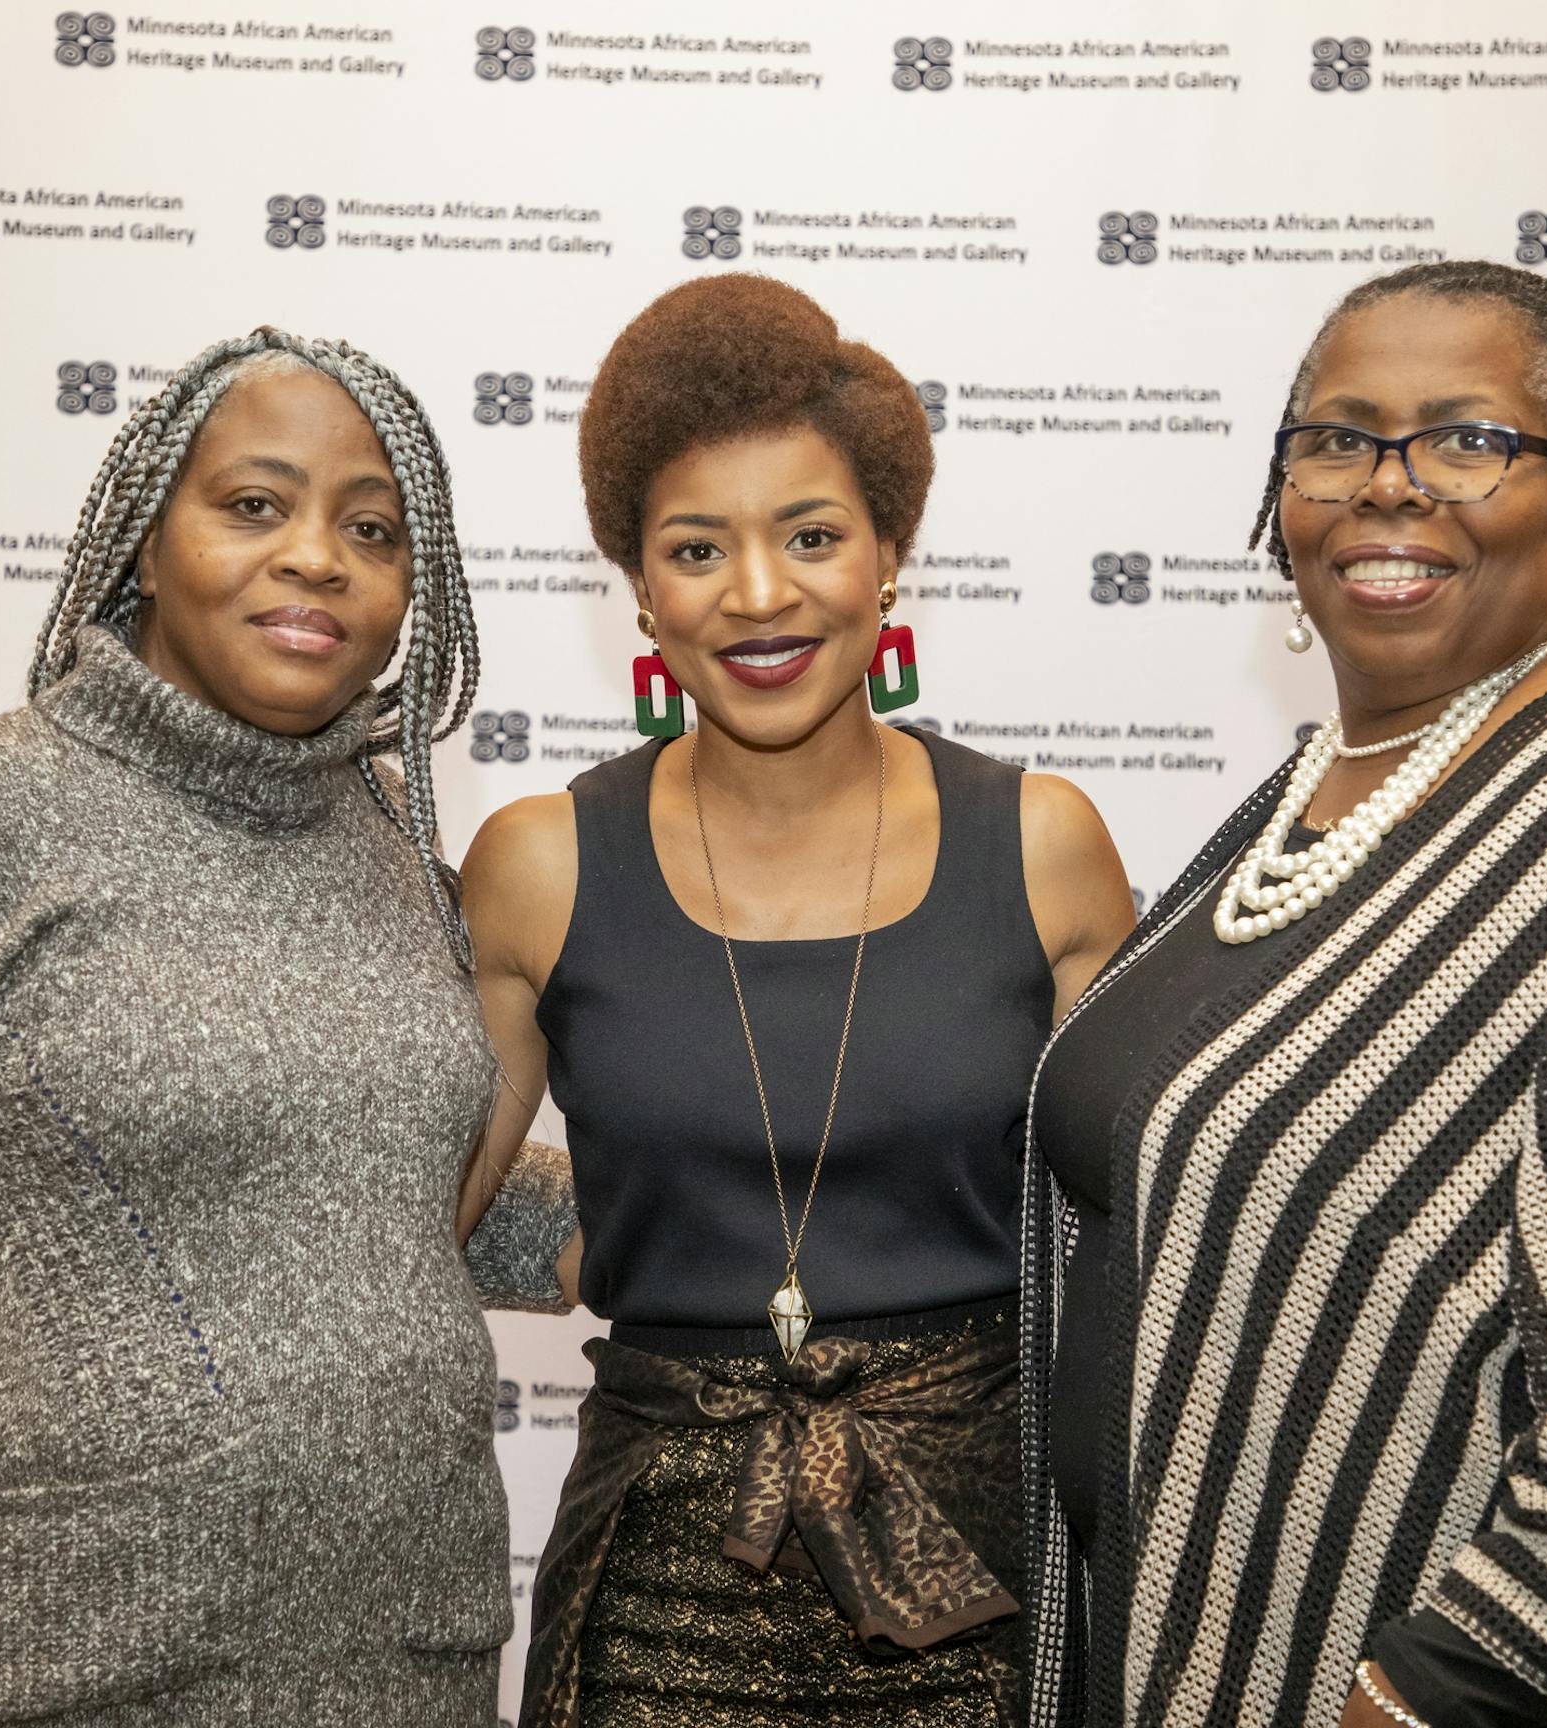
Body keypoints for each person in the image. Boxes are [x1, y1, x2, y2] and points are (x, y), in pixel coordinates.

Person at [1022, 261, 1547, 1727]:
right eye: (1338, 438)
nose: (1390, 485)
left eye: (1467, 439)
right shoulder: (1319, 795)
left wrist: (1408, 1702)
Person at [0, 328, 543, 1725]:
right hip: (31, 1666)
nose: (316, 556)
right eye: (254, 504)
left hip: (392, 1665)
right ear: (143, 539)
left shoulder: (397, 856)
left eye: (374, 529)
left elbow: (371, 1174)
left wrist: (711, 1201)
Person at [456, 274, 1137, 1726]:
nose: (759, 594)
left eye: (812, 537)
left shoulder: (1046, 848)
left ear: (889, 557)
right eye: (697, 548)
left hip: (975, 1570)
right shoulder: (536, 865)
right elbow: (409, 1208)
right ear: (638, 588)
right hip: (655, 1584)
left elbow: (1139, 1244)